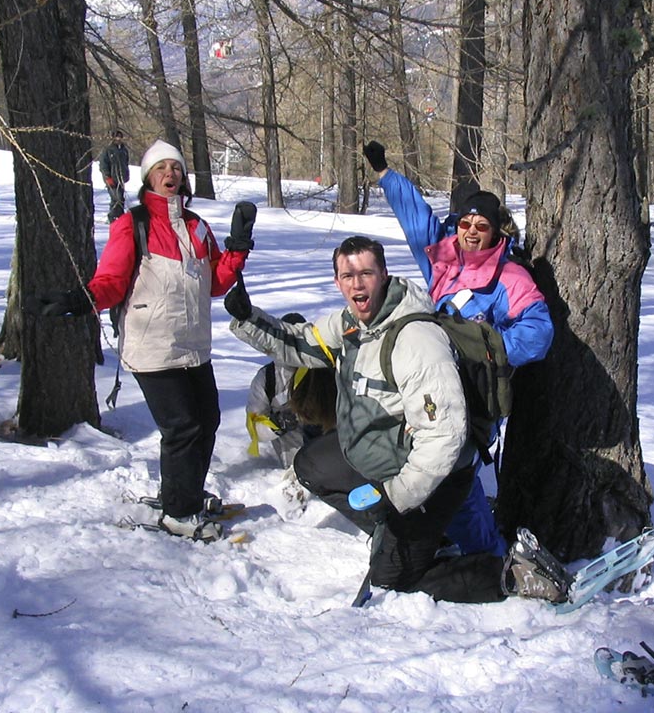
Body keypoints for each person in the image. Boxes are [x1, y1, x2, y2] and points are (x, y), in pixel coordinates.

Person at [224, 235, 567, 604]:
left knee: (392, 582)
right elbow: (303, 343)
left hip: (429, 478)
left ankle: (514, 575)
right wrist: (247, 318)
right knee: (311, 464)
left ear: (384, 275)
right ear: (337, 282)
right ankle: (414, 538)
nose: (357, 283)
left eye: (366, 272)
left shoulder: (415, 339)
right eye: (347, 275)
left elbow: (445, 438)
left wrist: (398, 498)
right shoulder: (352, 325)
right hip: (381, 458)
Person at [34, 140, 256, 542]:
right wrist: (81, 300)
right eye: (161, 169)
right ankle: (178, 513)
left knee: (207, 422)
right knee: (182, 428)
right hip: (152, 345)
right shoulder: (133, 224)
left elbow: (215, 284)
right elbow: (112, 281)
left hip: (193, 346)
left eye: (175, 168)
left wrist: (237, 249)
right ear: (149, 179)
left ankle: (184, 492)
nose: (170, 174)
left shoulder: (196, 226)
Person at [363, 140, 554, 558]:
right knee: (423, 458)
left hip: (475, 393)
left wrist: (487, 348)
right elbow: (416, 220)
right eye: (465, 222)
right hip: (434, 382)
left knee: (455, 473)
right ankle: (432, 528)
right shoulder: (444, 259)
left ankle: (489, 557)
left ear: (494, 232)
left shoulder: (509, 276)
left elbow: (539, 333)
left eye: (480, 226)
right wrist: (385, 175)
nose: (470, 231)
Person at [245, 312, 320, 468]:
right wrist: (277, 423)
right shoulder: (267, 379)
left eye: (298, 341)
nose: (292, 347)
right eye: (287, 340)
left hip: (329, 450)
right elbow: (254, 429)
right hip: (294, 464)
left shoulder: (322, 369)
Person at [99, 130, 130, 222]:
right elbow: (103, 165)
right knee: (116, 198)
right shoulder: (108, 150)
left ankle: (120, 217)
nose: (119, 139)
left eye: (120, 137)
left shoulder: (124, 150)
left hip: (121, 179)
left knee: (121, 199)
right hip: (111, 179)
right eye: (117, 137)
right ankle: (112, 217)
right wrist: (107, 177)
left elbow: (125, 163)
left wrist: (126, 175)